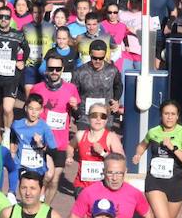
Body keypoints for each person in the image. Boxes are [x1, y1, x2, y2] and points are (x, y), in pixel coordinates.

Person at [69, 153, 153, 218]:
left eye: (119, 173)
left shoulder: (134, 193)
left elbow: (148, 214)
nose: (114, 178)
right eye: (110, 173)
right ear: (103, 171)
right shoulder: (89, 192)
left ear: (125, 172)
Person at [29, 62, 81, 200]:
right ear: (46, 70)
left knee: (55, 179)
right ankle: (38, 201)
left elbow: (78, 116)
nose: (54, 72)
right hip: (41, 141)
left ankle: (45, 208)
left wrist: (75, 107)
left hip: (60, 142)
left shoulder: (71, 89)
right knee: (44, 176)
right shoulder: (37, 88)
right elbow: (28, 110)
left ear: (62, 69)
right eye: (51, 69)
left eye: (58, 69)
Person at [72, 102, 124, 195]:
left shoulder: (111, 137)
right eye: (94, 115)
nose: (98, 119)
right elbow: (70, 146)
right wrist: (69, 156)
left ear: (106, 120)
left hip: (103, 186)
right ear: (88, 118)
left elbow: (121, 160)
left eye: (103, 116)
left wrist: (103, 152)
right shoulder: (80, 135)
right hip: (82, 186)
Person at [11, 94, 62, 183]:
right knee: (24, 185)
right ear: (26, 108)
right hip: (21, 164)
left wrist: (40, 144)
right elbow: (12, 136)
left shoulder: (44, 127)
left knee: (34, 188)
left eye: (37, 109)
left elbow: (53, 150)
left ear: (41, 110)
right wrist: (12, 151)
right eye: (31, 109)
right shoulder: (17, 124)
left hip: (38, 167)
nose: (33, 113)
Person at [71, 40, 123, 128]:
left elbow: (118, 86)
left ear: (105, 55)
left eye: (101, 58)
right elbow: (73, 92)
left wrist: (116, 100)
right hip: (85, 118)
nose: (97, 61)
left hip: (105, 118)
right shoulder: (79, 72)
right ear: (90, 54)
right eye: (94, 58)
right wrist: (77, 112)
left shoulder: (112, 70)